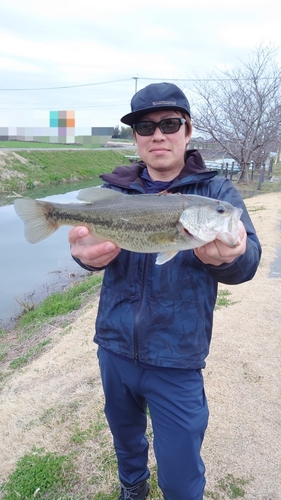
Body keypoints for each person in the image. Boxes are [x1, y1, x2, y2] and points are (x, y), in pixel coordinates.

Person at [69, 82, 261, 500]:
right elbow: (87, 247)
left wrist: (231, 257)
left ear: (187, 131)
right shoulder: (116, 193)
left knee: (179, 467)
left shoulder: (217, 196)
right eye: (145, 126)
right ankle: (132, 487)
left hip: (177, 357)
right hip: (114, 347)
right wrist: (83, 257)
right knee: (125, 437)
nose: (158, 134)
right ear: (135, 138)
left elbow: (247, 258)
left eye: (170, 123)